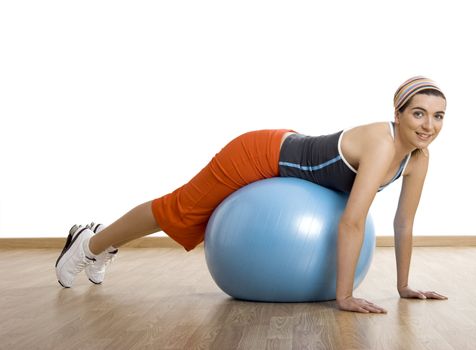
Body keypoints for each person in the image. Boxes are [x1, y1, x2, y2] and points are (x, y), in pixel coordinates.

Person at [55, 76, 448, 313]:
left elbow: (404, 222)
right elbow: (351, 221)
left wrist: (403, 287)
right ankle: (90, 243)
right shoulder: (382, 144)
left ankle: (99, 241)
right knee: (180, 209)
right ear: (397, 114)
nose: (428, 125)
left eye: (438, 116)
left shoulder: (418, 158)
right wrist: (343, 296)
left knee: (181, 211)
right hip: (259, 154)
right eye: (418, 113)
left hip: (289, 158)